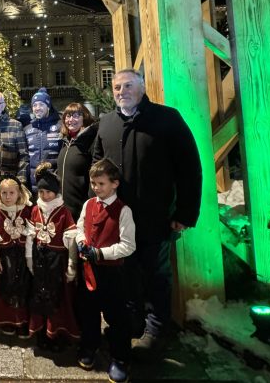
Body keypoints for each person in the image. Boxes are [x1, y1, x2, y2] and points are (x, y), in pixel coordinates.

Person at [93, 68, 202, 358]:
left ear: (142, 88)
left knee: (156, 274)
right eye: (116, 87)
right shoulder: (106, 123)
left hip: (156, 216)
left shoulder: (167, 119)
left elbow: (189, 168)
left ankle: (156, 329)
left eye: (128, 85)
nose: (121, 91)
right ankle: (133, 323)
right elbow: (97, 163)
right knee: (126, 274)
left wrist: (185, 212)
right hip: (119, 220)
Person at [75, 159, 136, 383]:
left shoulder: (123, 211)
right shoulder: (89, 204)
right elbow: (80, 226)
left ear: (115, 184)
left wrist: (101, 254)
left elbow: (128, 245)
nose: (96, 188)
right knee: (88, 311)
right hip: (89, 270)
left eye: (101, 183)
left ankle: (120, 358)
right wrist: (82, 241)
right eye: (93, 183)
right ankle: (89, 345)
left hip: (112, 273)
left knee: (117, 316)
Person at [26, 162, 79, 350]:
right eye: (41, 192)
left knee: (58, 299)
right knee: (39, 297)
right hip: (40, 261)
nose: (44, 196)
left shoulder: (64, 212)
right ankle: (41, 332)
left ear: (56, 192)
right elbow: (30, 237)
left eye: (48, 192)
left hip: (57, 262)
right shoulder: (35, 210)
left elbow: (72, 240)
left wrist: (72, 266)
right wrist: (29, 260)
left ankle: (56, 333)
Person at [0, 176, 32, 337]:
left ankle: (22, 322)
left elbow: (31, 235)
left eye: (11, 193)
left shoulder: (26, 210)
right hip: (5, 257)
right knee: (5, 288)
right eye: (4, 193)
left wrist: (29, 257)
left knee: (23, 288)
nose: (8, 197)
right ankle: (7, 320)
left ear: (19, 193)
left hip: (22, 257)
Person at [56, 102, 98, 220]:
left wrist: (91, 204)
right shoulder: (66, 142)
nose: (71, 120)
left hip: (82, 209)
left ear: (85, 117)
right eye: (68, 116)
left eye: (76, 115)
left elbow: (95, 173)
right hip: (63, 208)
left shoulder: (91, 141)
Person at [23, 88, 62, 196]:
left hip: (54, 186)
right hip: (33, 187)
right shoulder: (27, 129)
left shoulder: (60, 126)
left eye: (41, 104)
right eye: (34, 105)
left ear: (48, 106)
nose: (37, 108)